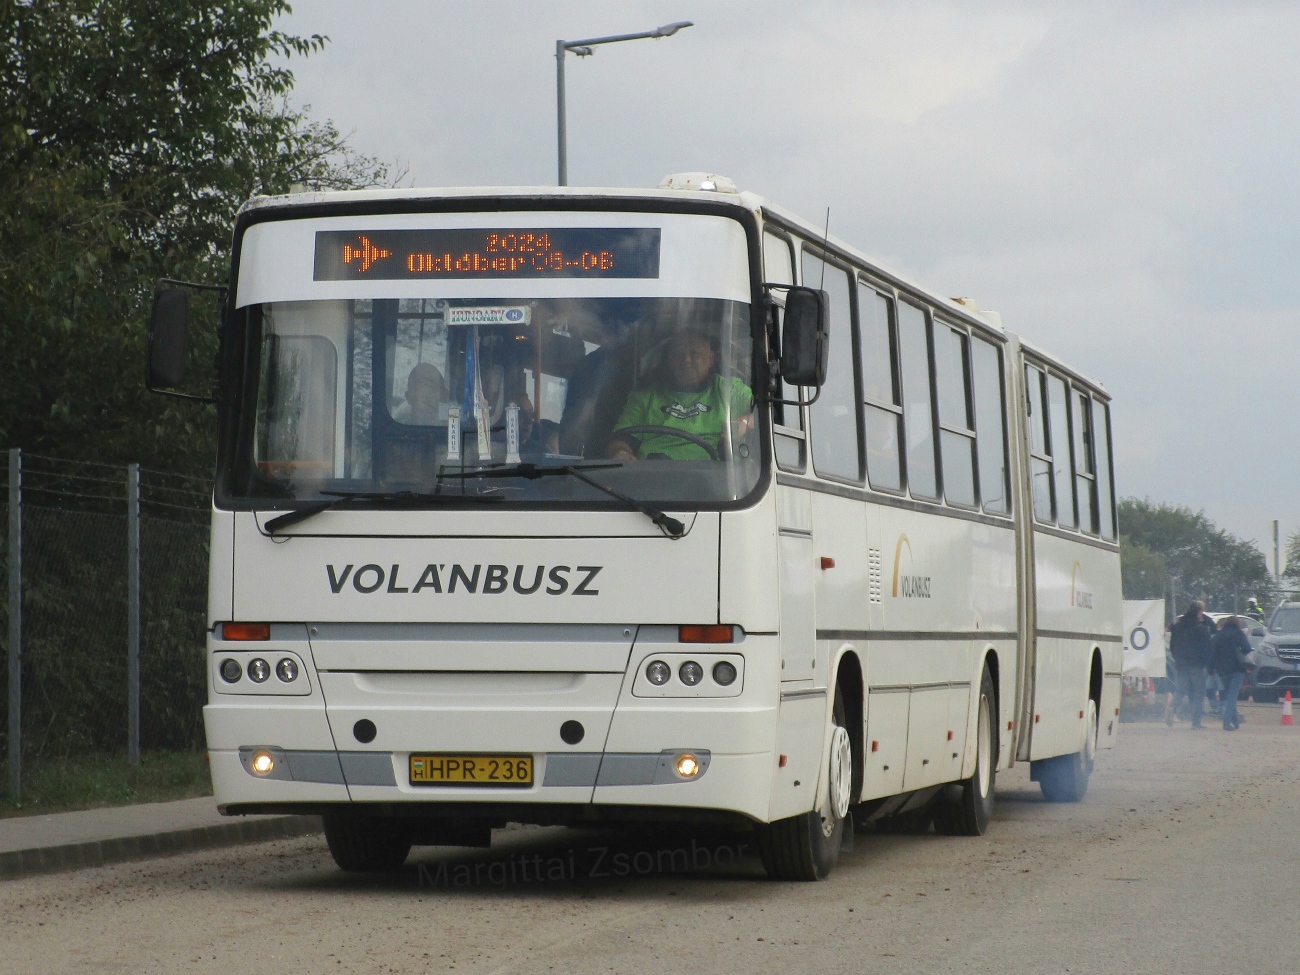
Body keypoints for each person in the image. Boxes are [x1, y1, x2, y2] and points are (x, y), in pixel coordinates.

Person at [606, 330, 753, 461]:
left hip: (719, 480)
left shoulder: (730, 390)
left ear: (711, 359)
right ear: (669, 360)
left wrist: (745, 423)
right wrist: (622, 453)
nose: (686, 360)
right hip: (654, 477)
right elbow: (620, 440)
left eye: (694, 354)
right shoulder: (645, 398)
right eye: (679, 355)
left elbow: (768, 412)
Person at [1167, 599, 1215, 729]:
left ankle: (1172, 709)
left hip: (1181, 664)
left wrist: (1178, 658)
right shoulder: (1201, 629)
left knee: (1180, 690)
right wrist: (1207, 665)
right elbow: (1207, 649)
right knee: (1199, 693)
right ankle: (1196, 721)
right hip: (1197, 666)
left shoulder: (1177, 627)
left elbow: (1172, 646)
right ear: (1199, 612)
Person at [1211, 616, 1254, 731]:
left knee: (1228, 696)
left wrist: (1212, 669)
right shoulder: (1239, 634)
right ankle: (1226, 722)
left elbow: (1213, 653)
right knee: (1232, 696)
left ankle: (1235, 721)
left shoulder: (1218, 636)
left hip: (1222, 671)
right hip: (1237, 669)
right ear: (1237, 624)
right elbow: (1247, 648)